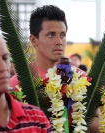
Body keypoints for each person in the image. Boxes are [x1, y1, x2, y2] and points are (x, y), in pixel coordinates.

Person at [10, 5, 100, 133]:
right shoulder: (19, 83)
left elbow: (98, 121)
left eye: (62, 35)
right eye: (51, 35)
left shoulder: (81, 78)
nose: (59, 41)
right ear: (34, 40)